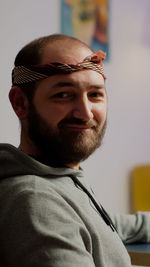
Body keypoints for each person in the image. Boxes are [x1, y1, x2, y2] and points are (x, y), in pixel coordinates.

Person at [0, 34, 149, 267]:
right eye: (63, 95)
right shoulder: (36, 200)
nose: (86, 113)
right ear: (20, 103)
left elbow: (108, 225)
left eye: (95, 95)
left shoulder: (58, 179)